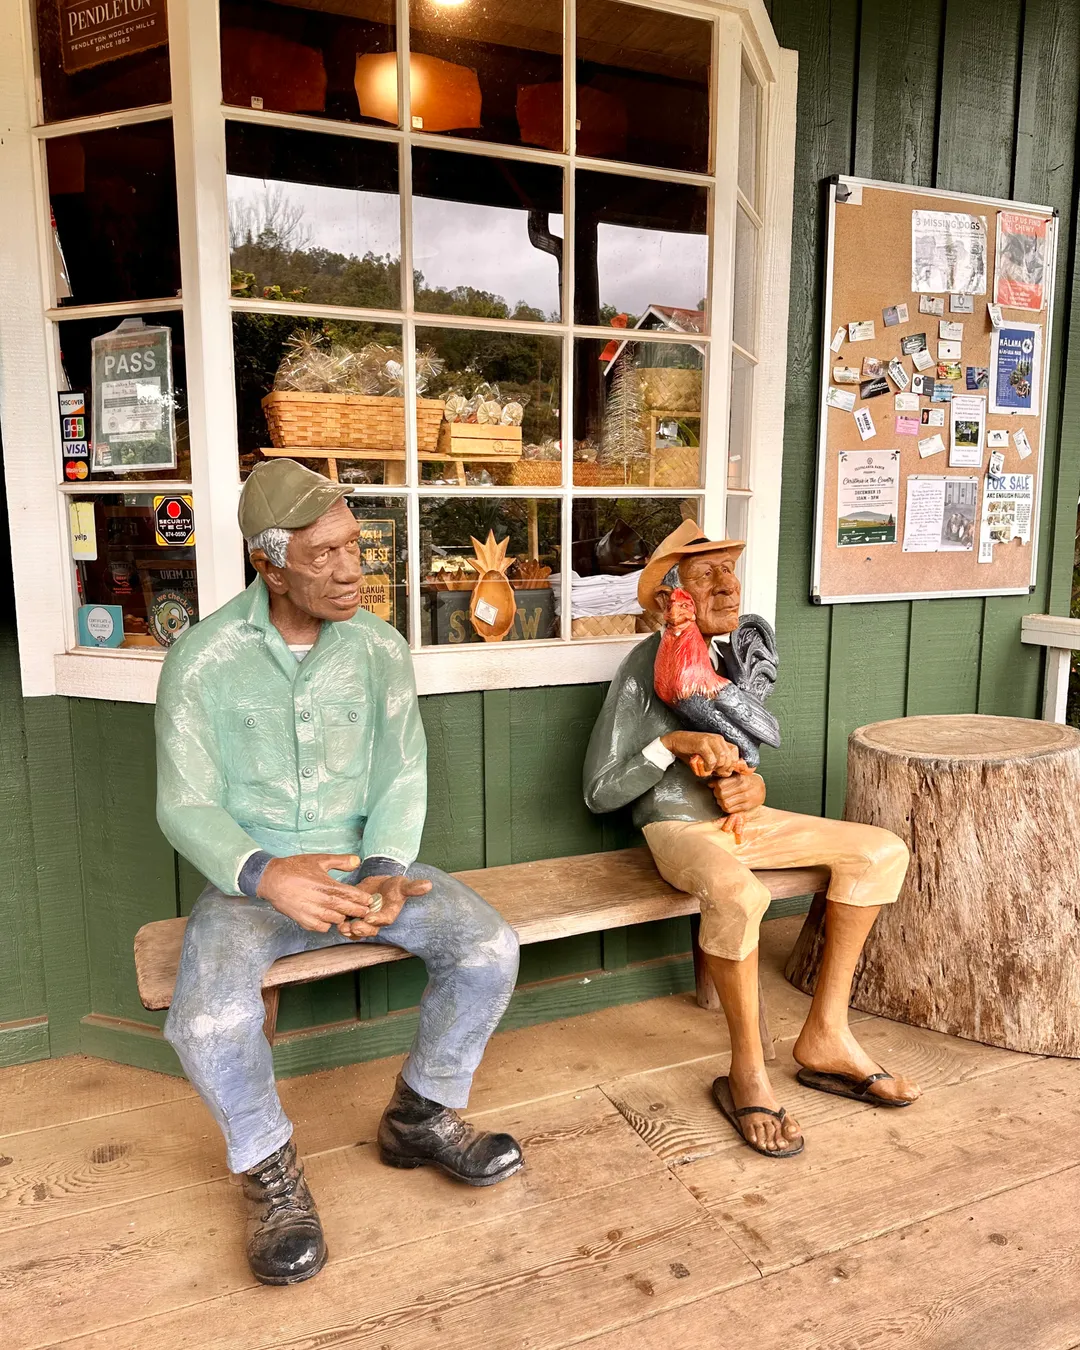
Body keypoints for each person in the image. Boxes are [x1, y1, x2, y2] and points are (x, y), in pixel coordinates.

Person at [156, 460, 523, 1285]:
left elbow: (402, 772)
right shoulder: (203, 659)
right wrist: (265, 874)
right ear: (270, 565)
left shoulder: (379, 648)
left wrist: (387, 868)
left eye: (354, 545)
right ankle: (268, 1170)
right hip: (252, 889)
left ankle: (421, 1115)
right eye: (323, 554)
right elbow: (184, 803)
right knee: (206, 1021)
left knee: (488, 947)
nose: (352, 568)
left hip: (369, 871)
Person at [583, 520, 920, 1159]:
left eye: (729, 571)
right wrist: (669, 743)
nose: (727, 585)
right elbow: (600, 790)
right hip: (677, 828)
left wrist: (751, 788)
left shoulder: (726, 660)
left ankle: (827, 1034)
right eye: (705, 575)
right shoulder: (642, 666)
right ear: (673, 597)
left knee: (880, 850)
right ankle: (748, 1070)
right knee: (740, 895)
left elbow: (746, 764)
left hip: (741, 827)